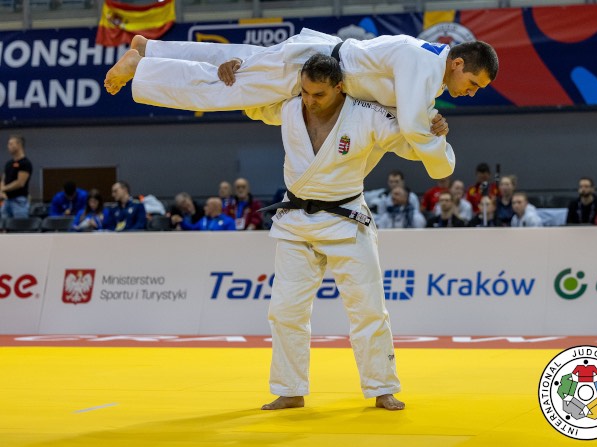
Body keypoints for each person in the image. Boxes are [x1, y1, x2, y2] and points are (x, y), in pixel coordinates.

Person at [245, 54, 455, 411]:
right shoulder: (290, 107)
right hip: (296, 221)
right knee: (285, 311)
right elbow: (251, 103)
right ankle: (290, 388)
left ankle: (382, 387)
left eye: (319, 94)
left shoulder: (366, 114)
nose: (310, 100)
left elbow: (409, 139)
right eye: (306, 92)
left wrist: (432, 129)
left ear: (340, 87)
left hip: (347, 220)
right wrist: (234, 72)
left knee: (368, 310)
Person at [104, 30, 497, 179]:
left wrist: (431, 121)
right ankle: (142, 67)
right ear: (458, 63)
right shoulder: (425, 63)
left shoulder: (427, 71)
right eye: (473, 83)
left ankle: (150, 49)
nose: (471, 92)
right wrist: (441, 156)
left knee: (239, 62)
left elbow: (409, 115)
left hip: (317, 62)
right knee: (224, 88)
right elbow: (410, 126)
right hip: (312, 68)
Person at [1, 135, 32, 219]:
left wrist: (4, 188)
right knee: (3, 223)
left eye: (11, 144)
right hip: (7, 200)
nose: (8, 146)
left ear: (19, 145)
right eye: (8, 144)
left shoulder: (25, 163)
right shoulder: (8, 164)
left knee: (19, 224)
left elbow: (20, 183)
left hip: (19, 201)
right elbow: (4, 179)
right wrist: (2, 191)